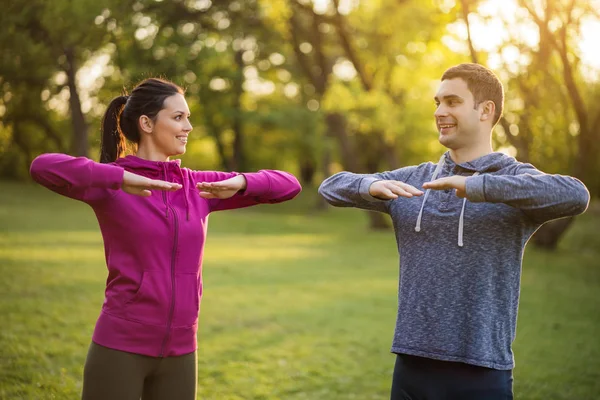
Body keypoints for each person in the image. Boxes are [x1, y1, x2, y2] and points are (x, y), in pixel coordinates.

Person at [318, 63, 589, 399]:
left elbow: (576, 195)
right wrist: (369, 185)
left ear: (486, 110)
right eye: (437, 103)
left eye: (452, 102)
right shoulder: (415, 179)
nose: (440, 112)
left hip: (482, 372)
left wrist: (479, 186)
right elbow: (331, 187)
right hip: (411, 368)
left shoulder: (514, 180)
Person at [30, 77, 302, 400]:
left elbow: (289, 185)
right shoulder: (112, 187)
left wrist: (242, 181)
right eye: (178, 117)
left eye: (188, 117)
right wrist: (118, 176)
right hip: (121, 347)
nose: (189, 126)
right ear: (146, 123)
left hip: (182, 353)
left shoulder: (197, 186)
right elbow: (42, 167)